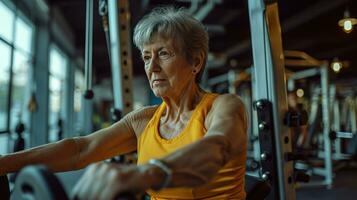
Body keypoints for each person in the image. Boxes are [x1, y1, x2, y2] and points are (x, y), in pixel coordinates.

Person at [0, 7, 247, 200]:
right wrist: (4, 163)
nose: (152, 67)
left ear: (195, 61)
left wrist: (145, 173)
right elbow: (80, 149)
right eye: (147, 57)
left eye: (163, 54)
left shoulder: (224, 106)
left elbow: (217, 148)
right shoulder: (144, 120)